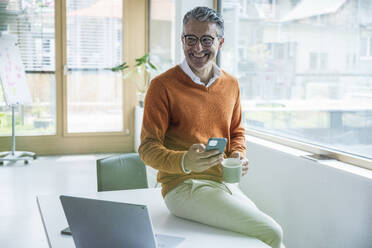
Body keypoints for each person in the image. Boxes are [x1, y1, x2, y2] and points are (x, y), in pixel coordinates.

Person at [139, 6, 285, 248]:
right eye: (191, 39)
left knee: (258, 238)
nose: (197, 48)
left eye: (206, 39)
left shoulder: (231, 84)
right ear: (182, 39)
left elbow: (237, 131)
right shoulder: (162, 86)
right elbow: (147, 148)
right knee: (272, 232)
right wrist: (185, 161)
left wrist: (239, 154)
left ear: (221, 41)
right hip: (182, 188)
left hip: (222, 183)